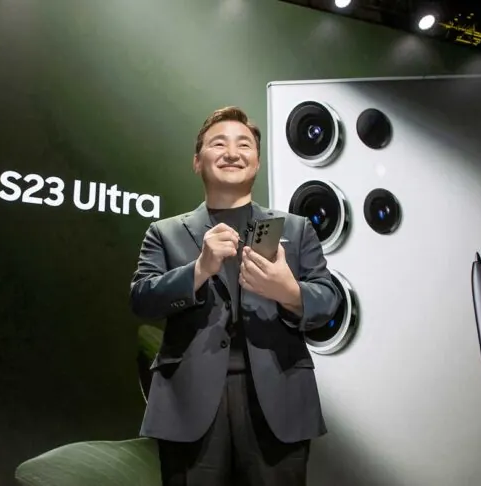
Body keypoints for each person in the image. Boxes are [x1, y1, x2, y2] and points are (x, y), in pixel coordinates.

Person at [129, 106, 341, 486]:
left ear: (256, 162)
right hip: (189, 404)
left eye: (244, 145)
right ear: (197, 161)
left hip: (278, 400)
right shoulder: (164, 232)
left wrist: (288, 291)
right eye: (218, 144)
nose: (232, 153)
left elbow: (328, 299)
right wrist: (199, 270)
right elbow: (142, 299)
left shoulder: (295, 230)